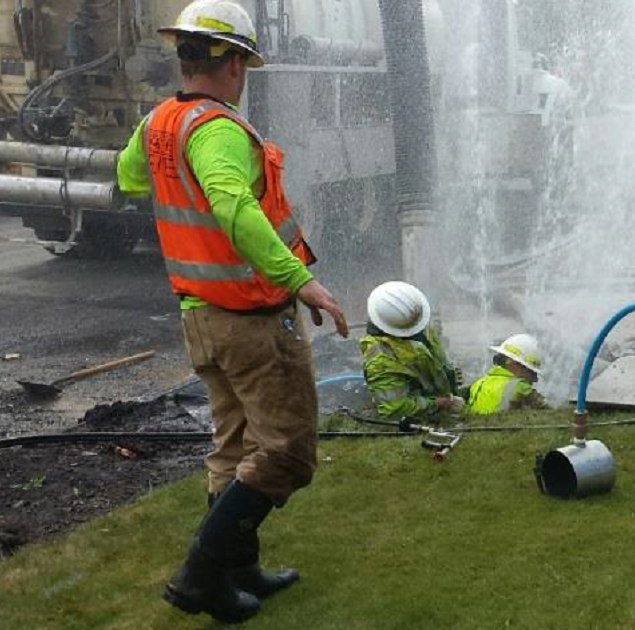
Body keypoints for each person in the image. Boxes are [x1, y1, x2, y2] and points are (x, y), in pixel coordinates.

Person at [115, 0, 348, 623]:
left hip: (201, 318)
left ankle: (236, 571)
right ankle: (198, 574)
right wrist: (302, 282)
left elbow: (130, 176)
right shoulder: (217, 129)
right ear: (237, 63)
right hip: (249, 321)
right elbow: (232, 206)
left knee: (236, 444)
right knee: (288, 452)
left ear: (186, 55)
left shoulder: (161, 121)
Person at [359, 281, 463, 423]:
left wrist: (449, 374)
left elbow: (433, 356)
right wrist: (438, 404)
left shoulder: (416, 322)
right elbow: (395, 409)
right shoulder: (381, 361)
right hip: (427, 416)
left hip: (445, 398)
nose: (421, 324)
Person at [465, 334, 549, 415]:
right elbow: (549, 411)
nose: (534, 379)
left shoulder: (478, 383)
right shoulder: (521, 387)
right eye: (530, 371)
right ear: (512, 363)